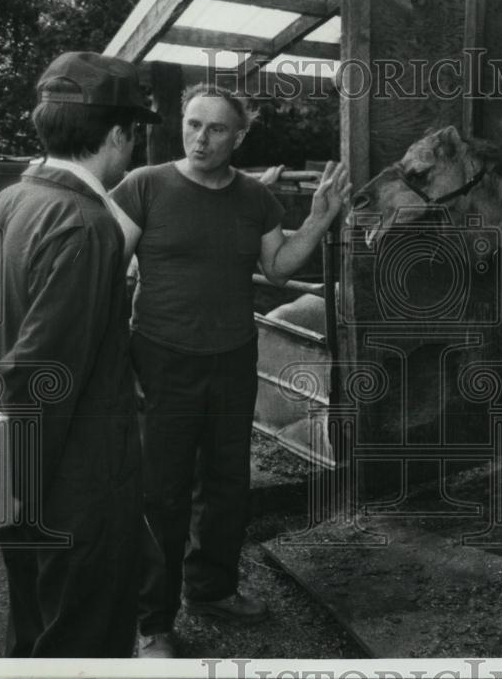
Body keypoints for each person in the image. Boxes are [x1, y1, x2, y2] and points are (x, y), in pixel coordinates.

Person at [110, 83, 350, 658]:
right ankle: (153, 622)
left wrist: (317, 220)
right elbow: (107, 273)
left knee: (226, 486)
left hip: (234, 357)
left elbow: (280, 265)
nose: (200, 137)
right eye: (193, 124)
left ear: (239, 136)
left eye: (217, 129)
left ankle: (211, 589)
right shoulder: (144, 186)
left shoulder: (253, 199)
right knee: (162, 494)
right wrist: (119, 356)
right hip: (163, 358)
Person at [0, 52, 161, 657]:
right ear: (120, 135)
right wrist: (15, 485)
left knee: (32, 626)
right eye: (135, 133)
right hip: (72, 488)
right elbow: (40, 373)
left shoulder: (0, 204)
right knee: (81, 641)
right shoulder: (86, 222)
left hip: (12, 467)